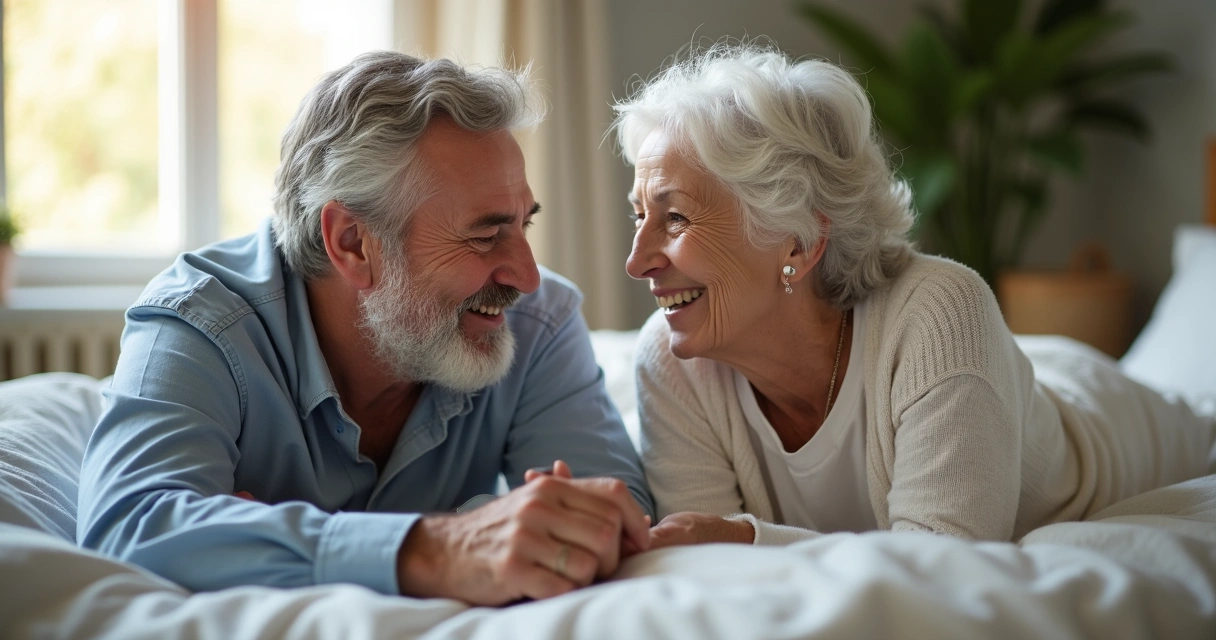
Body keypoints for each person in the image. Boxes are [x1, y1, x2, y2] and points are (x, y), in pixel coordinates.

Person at [77, 51, 654, 606]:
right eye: (484, 235)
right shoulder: (201, 323)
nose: (527, 277)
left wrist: (245, 537)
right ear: (352, 243)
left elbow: (617, 521)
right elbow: (128, 526)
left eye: (523, 225)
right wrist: (438, 549)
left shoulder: (538, 322)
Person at [613, 43, 1216, 547]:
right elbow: (705, 564)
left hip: (1115, 421)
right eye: (640, 215)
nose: (636, 262)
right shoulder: (668, 360)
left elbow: (940, 566)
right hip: (993, 378)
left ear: (796, 242)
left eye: (675, 220)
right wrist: (729, 542)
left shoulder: (944, 313)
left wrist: (748, 538)